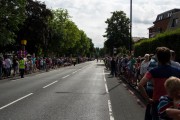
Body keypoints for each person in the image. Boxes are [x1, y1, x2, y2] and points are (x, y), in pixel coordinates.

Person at [138, 47, 180, 120]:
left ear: (157, 58)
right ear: (169, 57)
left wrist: (148, 99)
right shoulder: (177, 71)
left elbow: (140, 85)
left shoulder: (153, 71)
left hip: (157, 102)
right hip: (174, 102)